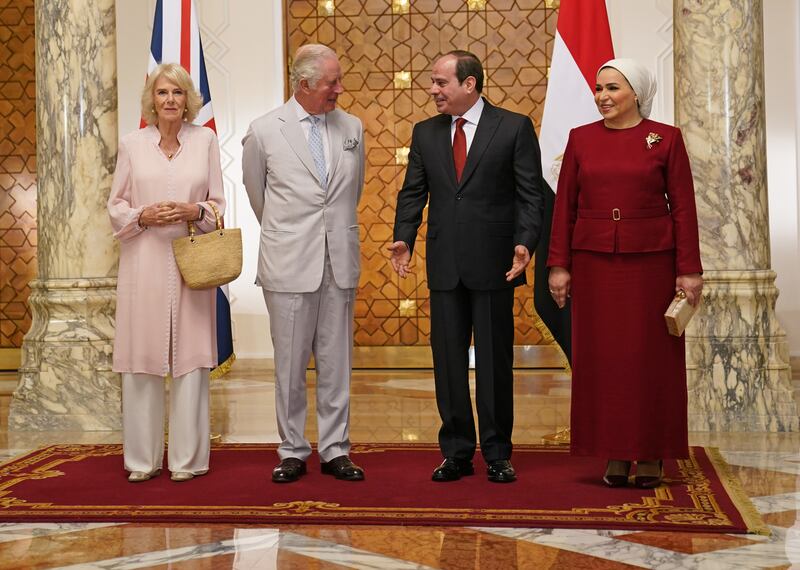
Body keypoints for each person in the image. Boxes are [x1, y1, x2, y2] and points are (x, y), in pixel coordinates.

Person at [547, 58, 703, 488]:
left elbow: (685, 209)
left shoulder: (666, 140)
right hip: (595, 265)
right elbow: (565, 209)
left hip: (652, 265)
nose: (602, 96)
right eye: (599, 88)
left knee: (649, 359)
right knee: (604, 360)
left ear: (636, 92)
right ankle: (614, 451)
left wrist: (689, 270)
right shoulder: (580, 140)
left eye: (612, 88)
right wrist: (559, 264)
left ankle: (650, 451)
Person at [390, 50, 544, 483]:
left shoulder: (513, 127)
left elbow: (530, 194)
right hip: (444, 264)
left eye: (441, 82)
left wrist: (524, 243)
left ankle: (497, 452)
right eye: (432, 82)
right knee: (448, 362)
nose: (432, 89)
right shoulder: (425, 133)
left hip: (497, 263)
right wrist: (405, 236)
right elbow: (412, 192)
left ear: (469, 84)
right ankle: (456, 451)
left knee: (495, 362)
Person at [242, 44, 366, 483]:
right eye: (331, 82)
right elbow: (258, 196)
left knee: (336, 363)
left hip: (339, 261)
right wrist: (292, 234)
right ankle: (292, 450)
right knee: (290, 366)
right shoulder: (263, 130)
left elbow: (353, 191)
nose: (339, 89)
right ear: (304, 84)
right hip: (289, 263)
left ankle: (336, 449)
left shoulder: (352, 126)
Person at [108, 63, 226, 483]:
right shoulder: (131, 144)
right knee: (141, 359)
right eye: (162, 93)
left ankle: (188, 461)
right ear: (151, 100)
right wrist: (143, 215)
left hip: (191, 263)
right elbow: (115, 206)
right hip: (144, 263)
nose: (170, 100)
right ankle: (142, 461)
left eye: (177, 92)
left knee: (191, 362)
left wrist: (195, 210)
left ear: (188, 98)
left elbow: (218, 204)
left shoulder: (206, 140)